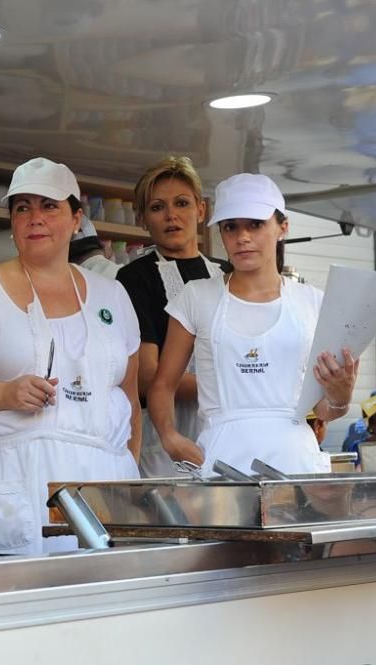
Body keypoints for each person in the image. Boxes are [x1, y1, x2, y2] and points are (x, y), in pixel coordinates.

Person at [0, 157, 142, 555]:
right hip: (7, 488)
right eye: (23, 207)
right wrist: (4, 395)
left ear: (76, 218)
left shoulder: (113, 296)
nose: (35, 218)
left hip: (104, 492)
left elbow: (130, 397)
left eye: (49, 205)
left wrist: (128, 477)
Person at [148, 173, 359, 476]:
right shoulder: (197, 296)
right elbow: (162, 384)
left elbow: (325, 410)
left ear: (282, 227)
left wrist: (341, 396)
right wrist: (170, 438)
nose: (242, 237)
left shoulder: (314, 303)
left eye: (255, 225)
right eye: (231, 227)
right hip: (221, 460)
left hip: (295, 459)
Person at [116, 156, 229, 477]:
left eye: (182, 203)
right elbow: (147, 375)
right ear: (141, 219)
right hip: (166, 443)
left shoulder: (226, 273)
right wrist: (231, 381)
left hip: (226, 433)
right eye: (157, 207)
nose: (171, 216)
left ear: (201, 210)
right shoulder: (135, 278)